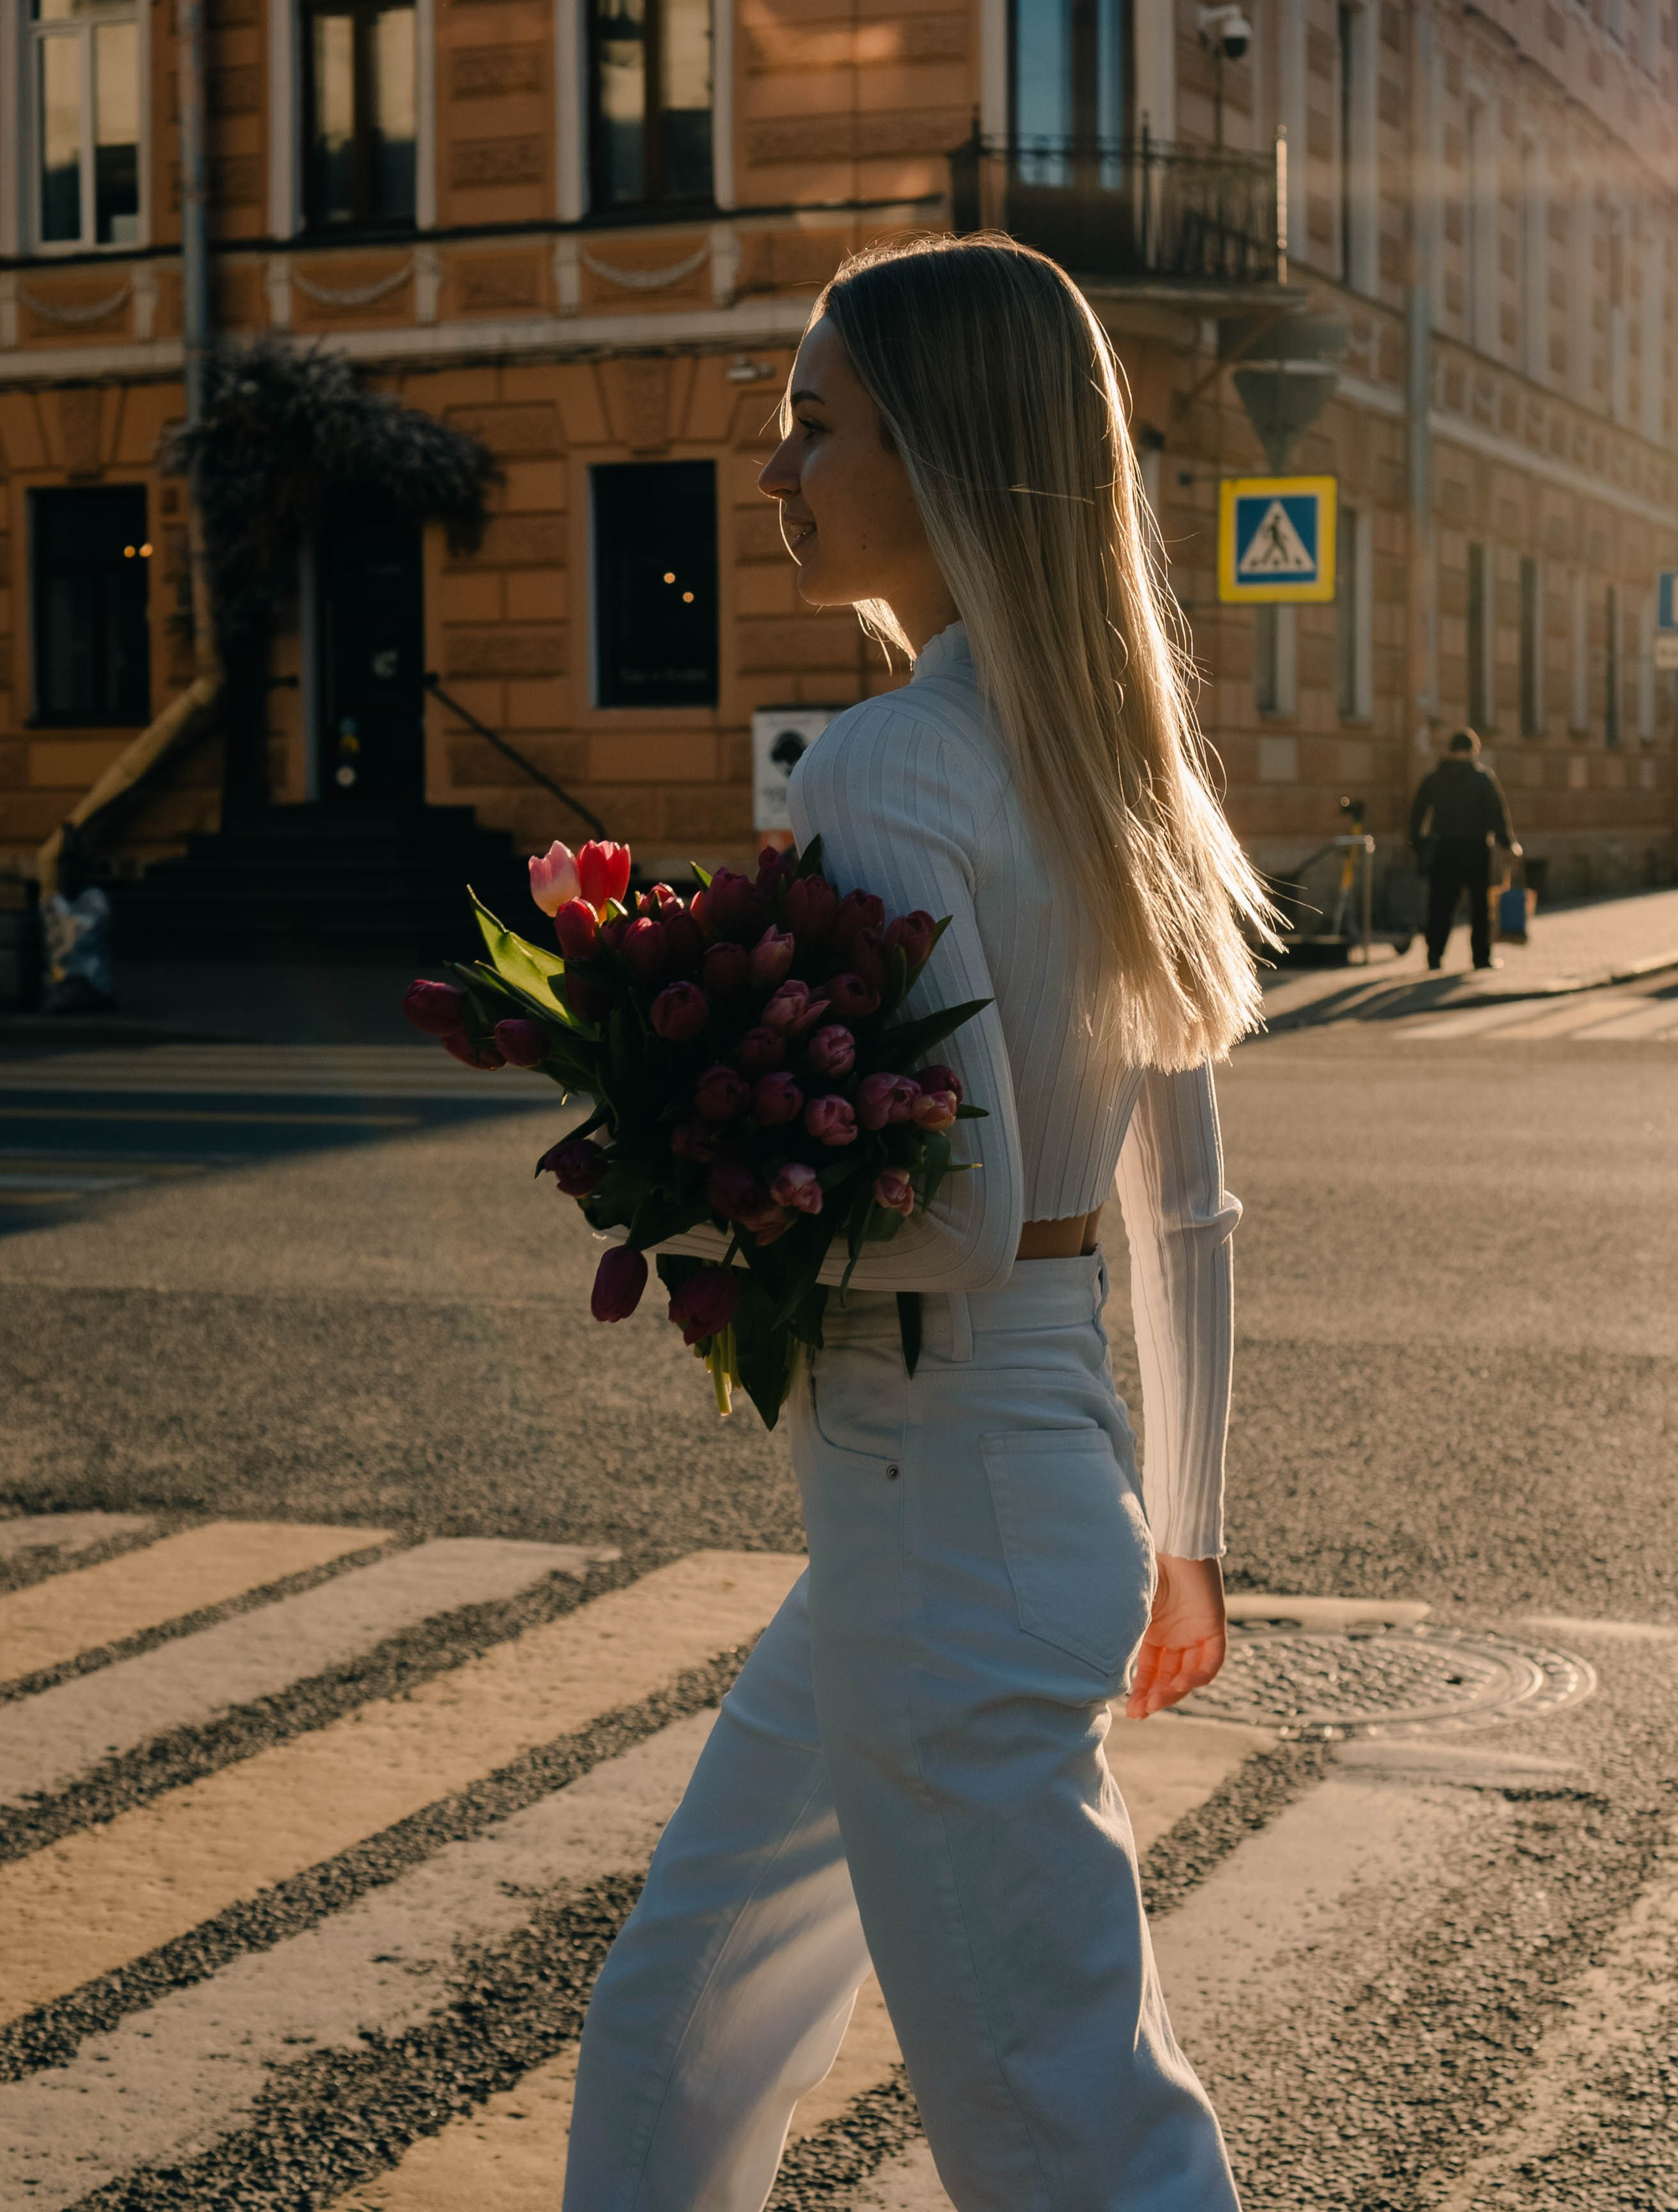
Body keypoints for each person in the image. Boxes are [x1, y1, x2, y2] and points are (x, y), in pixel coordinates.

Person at [562, 237, 1274, 2212]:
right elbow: (1182, 1204)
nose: (775, 473)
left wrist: (703, 1176)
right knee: (689, 1993)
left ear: (941, 455)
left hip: (941, 1501)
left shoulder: (886, 763)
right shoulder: (1111, 763)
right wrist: (1190, 1540)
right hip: (1014, 1485)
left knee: (1070, 2128)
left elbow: (943, 1216)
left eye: (814, 425)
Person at [1409, 728, 1519, 973]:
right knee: (1480, 907)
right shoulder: (1482, 778)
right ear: (1473, 751)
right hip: (1476, 849)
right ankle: (1481, 958)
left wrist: (1418, 844)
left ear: (1449, 751)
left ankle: (1434, 956)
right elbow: (1497, 813)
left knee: (1441, 905)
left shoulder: (1435, 778)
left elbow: (1417, 814)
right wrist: (1507, 842)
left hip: (1444, 849)